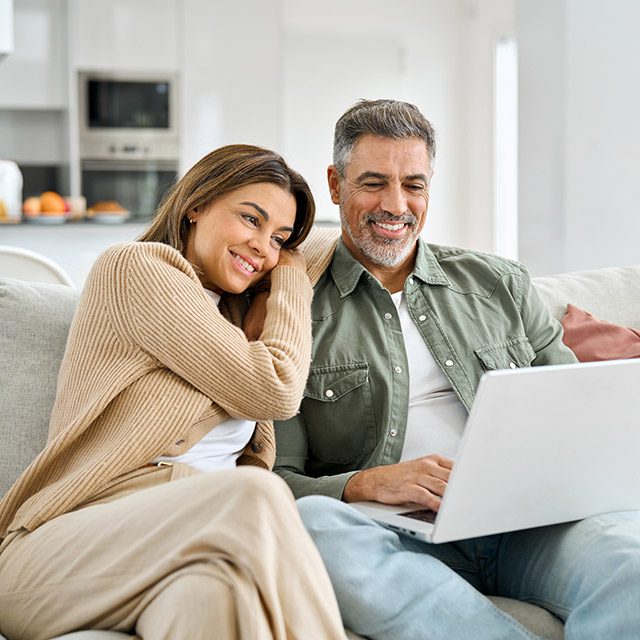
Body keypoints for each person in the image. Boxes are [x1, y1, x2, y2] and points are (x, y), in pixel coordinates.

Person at [273, 99, 640, 640]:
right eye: (373, 183)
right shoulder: (292, 307)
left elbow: (581, 412)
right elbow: (276, 481)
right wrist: (367, 483)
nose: (395, 205)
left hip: (527, 526)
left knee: (630, 565)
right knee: (313, 527)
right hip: (392, 533)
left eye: (414, 185)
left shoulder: (500, 284)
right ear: (334, 183)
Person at [0, 144, 346, 640]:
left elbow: (342, 240)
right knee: (255, 494)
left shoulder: (232, 322)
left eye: (279, 239)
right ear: (196, 205)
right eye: (250, 219)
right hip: (58, 553)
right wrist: (289, 280)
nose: (262, 248)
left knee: (211, 595)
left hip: (181, 551)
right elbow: (275, 390)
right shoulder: (137, 270)